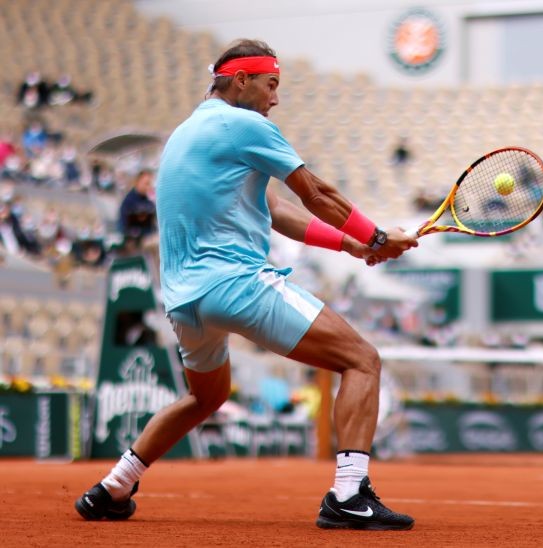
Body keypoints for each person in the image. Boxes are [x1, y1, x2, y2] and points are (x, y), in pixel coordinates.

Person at [75, 39, 418, 531]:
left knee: (205, 398)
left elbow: (275, 211)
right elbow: (317, 193)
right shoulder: (245, 125)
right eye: (270, 84)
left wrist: (352, 245)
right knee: (362, 360)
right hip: (236, 286)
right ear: (241, 80)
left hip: (184, 301)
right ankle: (349, 494)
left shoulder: (188, 132)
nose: (275, 98)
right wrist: (377, 235)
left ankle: (113, 487)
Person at [118, 168, 157, 250]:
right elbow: (123, 227)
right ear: (137, 182)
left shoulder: (150, 201)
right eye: (146, 183)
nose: (149, 186)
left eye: (150, 184)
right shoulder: (129, 201)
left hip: (148, 238)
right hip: (134, 242)